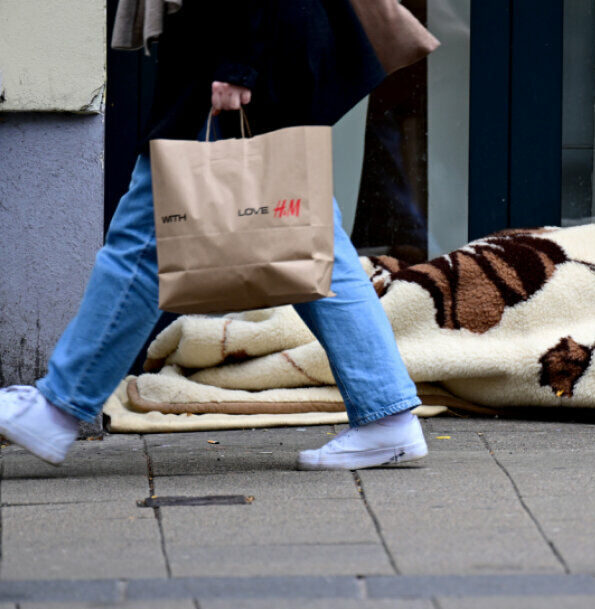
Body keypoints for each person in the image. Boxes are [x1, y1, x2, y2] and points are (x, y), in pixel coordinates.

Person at [0, 0, 430, 471]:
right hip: (253, 42)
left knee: (145, 243)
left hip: (233, 49)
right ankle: (386, 412)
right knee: (307, 237)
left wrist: (238, 64)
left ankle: (59, 406)